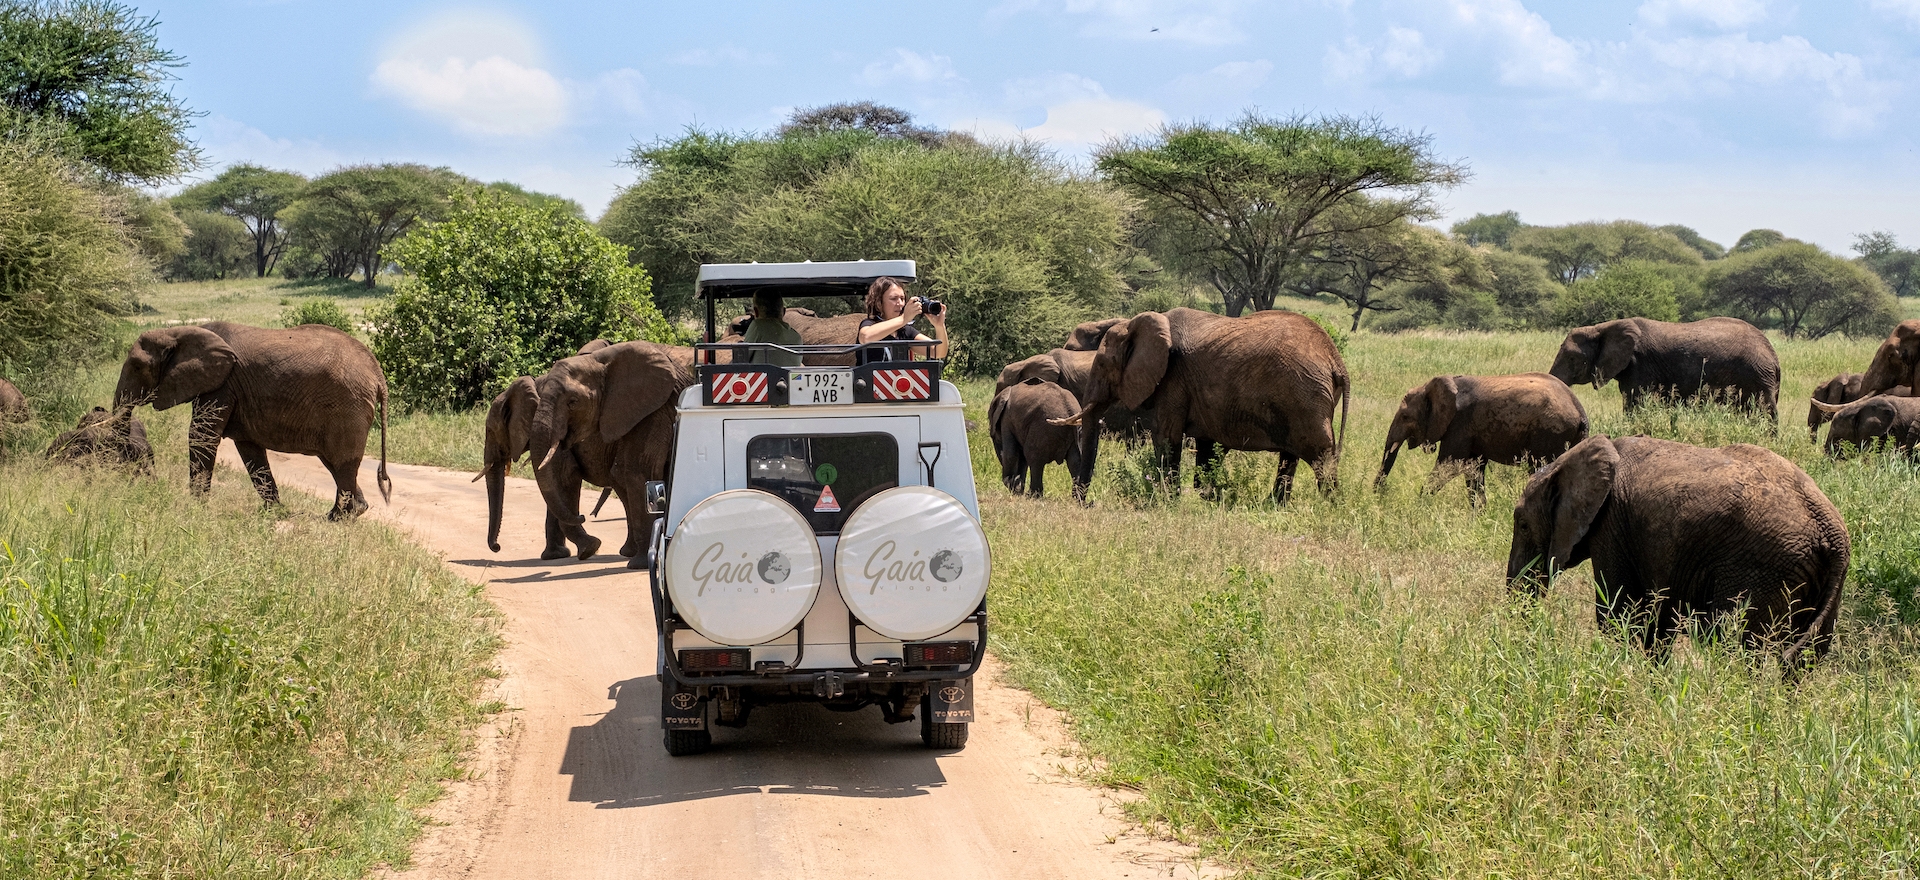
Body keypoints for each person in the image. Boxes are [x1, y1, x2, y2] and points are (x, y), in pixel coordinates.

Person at [857, 276, 949, 365]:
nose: (900, 303)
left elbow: (938, 352)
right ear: (879, 303)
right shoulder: (869, 324)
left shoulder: (906, 331)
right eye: (893, 298)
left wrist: (939, 326)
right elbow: (866, 337)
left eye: (902, 298)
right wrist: (903, 319)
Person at [742, 290, 803, 367]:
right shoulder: (796, 336)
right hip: (788, 378)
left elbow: (741, 359)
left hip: (763, 378)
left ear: (756, 311)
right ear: (784, 312)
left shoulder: (758, 326)